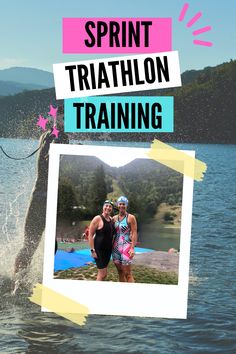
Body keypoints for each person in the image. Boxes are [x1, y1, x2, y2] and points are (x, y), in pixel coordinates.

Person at [14, 113, 69, 275]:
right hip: (48, 199)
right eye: (64, 118)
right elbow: (54, 159)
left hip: (37, 196)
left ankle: (16, 282)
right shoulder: (60, 137)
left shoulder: (45, 135)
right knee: (58, 246)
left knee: (29, 245)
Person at [112, 196, 137, 283]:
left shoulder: (131, 217)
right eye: (120, 204)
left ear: (126, 205)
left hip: (126, 248)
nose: (122, 206)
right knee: (120, 272)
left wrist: (132, 248)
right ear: (117, 205)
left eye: (124, 204)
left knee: (128, 274)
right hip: (115, 248)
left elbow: (134, 233)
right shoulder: (114, 218)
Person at [88, 200, 114, 281]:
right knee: (103, 273)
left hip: (108, 251)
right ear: (103, 207)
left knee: (103, 274)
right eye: (106, 206)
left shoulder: (111, 220)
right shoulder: (97, 219)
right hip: (99, 251)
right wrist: (92, 250)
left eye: (110, 206)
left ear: (111, 209)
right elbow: (90, 235)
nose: (108, 208)